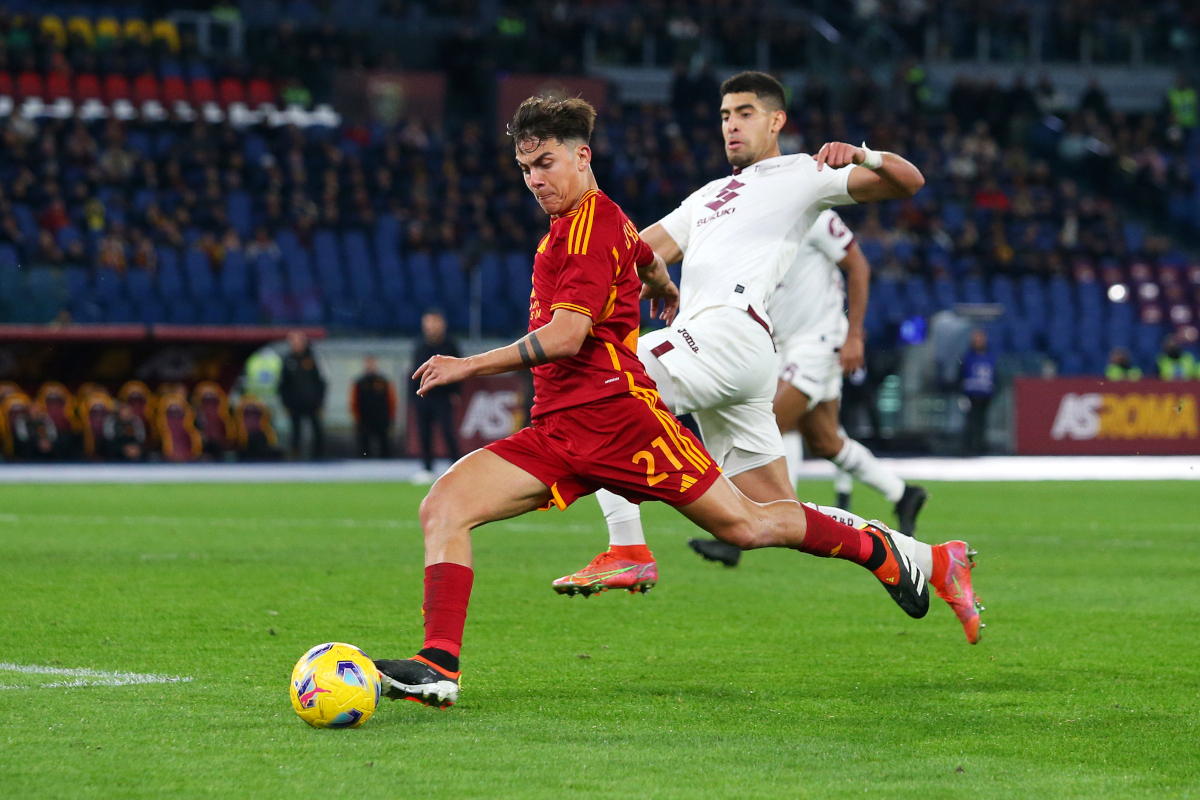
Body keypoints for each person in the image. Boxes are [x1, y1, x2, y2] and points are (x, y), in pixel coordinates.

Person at [372, 95, 935, 709]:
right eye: (526, 168)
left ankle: (876, 548)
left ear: (582, 157)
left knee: (749, 524)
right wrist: (663, 284)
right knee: (445, 505)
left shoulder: (590, 226)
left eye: (546, 163)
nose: (536, 179)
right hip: (558, 431)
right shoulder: (597, 223)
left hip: (623, 423)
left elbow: (567, 336)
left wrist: (470, 364)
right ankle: (438, 664)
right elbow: (643, 257)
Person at [551, 72, 981, 644]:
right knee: (765, 516)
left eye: (746, 112)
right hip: (740, 358)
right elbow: (633, 250)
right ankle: (930, 560)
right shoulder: (706, 197)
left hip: (729, 334)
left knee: (597, 379)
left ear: (776, 121)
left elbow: (909, 181)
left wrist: (864, 153)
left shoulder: (802, 173)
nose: (732, 123)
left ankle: (627, 545)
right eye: (726, 114)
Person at [690, 208, 927, 571]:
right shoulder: (755, 218)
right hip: (786, 343)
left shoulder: (814, 214)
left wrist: (855, 335)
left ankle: (742, 532)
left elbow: (859, 266)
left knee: (763, 423)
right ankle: (903, 494)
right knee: (825, 441)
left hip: (817, 342)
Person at [408, 309, 462, 483]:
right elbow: (414, 372)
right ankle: (427, 468)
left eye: (434, 322)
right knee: (424, 434)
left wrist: (456, 392)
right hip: (424, 396)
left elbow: (459, 369)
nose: (431, 326)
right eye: (428, 322)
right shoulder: (420, 345)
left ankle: (457, 466)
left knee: (448, 433)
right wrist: (412, 396)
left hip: (443, 396)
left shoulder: (450, 345)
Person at [278, 330, 326, 460]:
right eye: (292, 341)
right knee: (295, 432)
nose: (295, 344)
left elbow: (321, 382)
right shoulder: (288, 360)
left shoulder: (313, 359)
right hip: (295, 404)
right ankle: (295, 456)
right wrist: (286, 403)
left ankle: (319, 457)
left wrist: (320, 402)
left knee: (317, 430)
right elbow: (282, 385)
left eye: (298, 340)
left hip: (312, 403)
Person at [351, 355, 396, 458]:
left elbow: (391, 400)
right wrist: (357, 417)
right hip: (364, 419)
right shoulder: (360, 382)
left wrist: (391, 417)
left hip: (381, 418)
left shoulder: (383, 381)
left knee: (384, 446)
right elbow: (354, 401)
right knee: (364, 448)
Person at [961, 329, 995, 456]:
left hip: (985, 393)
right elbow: (962, 373)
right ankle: (968, 446)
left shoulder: (990, 356)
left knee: (982, 420)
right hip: (971, 393)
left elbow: (995, 375)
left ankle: (980, 445)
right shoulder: (967, 357)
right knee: (971, 420)